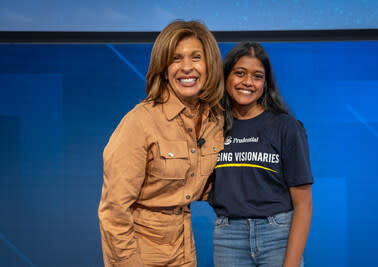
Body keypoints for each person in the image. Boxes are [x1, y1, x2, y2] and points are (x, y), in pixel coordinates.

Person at [98, 20, 224, 267]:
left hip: (184, 250)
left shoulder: (216, 121)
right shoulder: (140, 122)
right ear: (164, 69)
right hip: (140, 254)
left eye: (196, 57)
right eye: (176, 59)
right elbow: (114, 212)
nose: (187, 67)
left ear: (209, 65)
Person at [208, 42, 313, 267]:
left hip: (277, 235)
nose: (248, 82)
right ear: (226, 77)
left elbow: (304, 205)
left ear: (265, 83)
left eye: (257, 76)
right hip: (228, 237)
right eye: (240, 73)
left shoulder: (286, 127)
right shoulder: (211, 127)